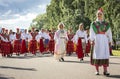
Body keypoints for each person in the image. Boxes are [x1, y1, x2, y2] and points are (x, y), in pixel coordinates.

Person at [90, 8, 112, 76]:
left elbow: (109, 32)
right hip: (97, 39)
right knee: (97, 53)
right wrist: (92, 40)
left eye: (100, 14)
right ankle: (97, 70)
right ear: (96, 15)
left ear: (102, 15)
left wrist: (110, 40)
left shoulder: (106, 23)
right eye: (98, 14)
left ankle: (105, 71)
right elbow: (92, 32)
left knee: (104, 54)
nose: (99, 15)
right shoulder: (93, 23)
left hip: (104, 40)